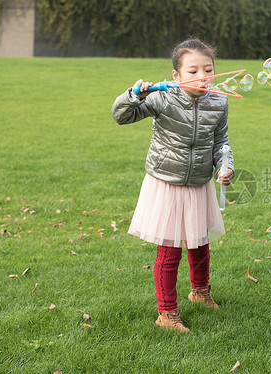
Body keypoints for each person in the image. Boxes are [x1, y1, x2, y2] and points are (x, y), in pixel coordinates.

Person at [111, 38, 234, 334]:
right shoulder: (162, 97)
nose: (202, 76)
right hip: (167, 182)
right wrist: (134, 95)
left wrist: (225, 165)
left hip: (199, 182)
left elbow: (221, 142)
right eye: (193, 71)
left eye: (208, 69)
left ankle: (200, 292)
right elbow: (121, 116)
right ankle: (166, 313)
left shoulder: (219, 101)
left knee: (200, 244)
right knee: (170, 251)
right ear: (176, 76)